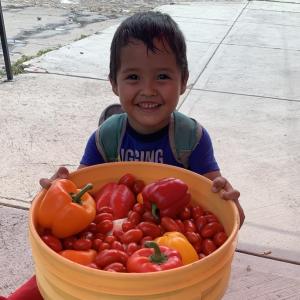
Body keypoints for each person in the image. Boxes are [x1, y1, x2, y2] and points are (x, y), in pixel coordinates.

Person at [1, 11, 244, 300]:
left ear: (183, 81)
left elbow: (229, 218)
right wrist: (59, 190)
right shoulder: (106, 137)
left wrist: (230, 198)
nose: (148, 89)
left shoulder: (192, 139)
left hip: (167, 272)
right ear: (114, 83)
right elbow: (81, 195)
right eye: (133, 77)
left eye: (163, 76)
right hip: (107, 258)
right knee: (47, 279)